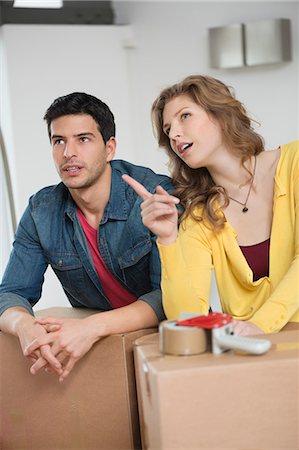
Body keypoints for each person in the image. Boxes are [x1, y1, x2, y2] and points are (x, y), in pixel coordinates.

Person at [0, 92, 173, 382]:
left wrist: (92, 327)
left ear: (109, 148)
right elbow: (10, 293)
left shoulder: (153, 194)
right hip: (102, 352)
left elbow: (169, 297)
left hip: (166, 342)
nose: (69, 153)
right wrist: (24, 324)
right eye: (59, 141)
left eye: (83, 139)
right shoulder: (42, 211)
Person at [123, 74, 299, 336]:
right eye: (168, 129)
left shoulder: (294, 162)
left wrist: (260, 325)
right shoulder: (200, 215)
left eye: (185, 116)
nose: (174, 134)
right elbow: (187, 315)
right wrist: (168, 239)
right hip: (258, 353)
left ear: (219, 112)